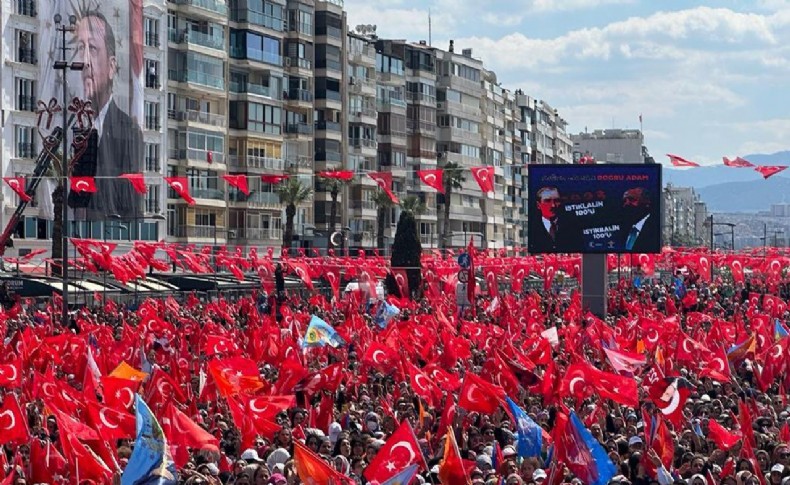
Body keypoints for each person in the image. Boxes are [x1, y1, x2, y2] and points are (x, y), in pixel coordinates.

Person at [69, 10, 142, 220]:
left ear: (111, 67)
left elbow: (132, 200)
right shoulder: (69, 125)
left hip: (115, 228)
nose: (85, 61)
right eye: (80, 48)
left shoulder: (128, 129)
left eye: (92, 49)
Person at [529, 186, 581, 252]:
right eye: (547, 201)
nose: (553, 205)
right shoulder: (531, 228)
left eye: (557, 201)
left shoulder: (573, 226)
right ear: (538, 205)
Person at [619, 187, 659, 252]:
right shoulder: (622, 230)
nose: (627, 204)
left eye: (632, 199)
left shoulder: (654, 230)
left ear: (647, 203)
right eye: (624, 201)